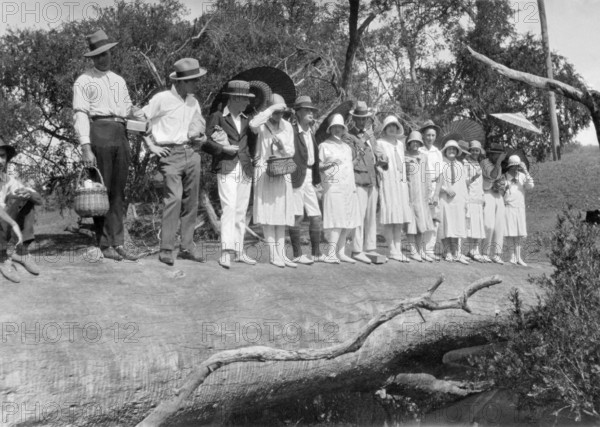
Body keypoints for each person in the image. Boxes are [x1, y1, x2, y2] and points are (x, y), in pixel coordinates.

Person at [72, 29, 138, 261]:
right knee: (101, 191)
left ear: (111, 53)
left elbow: (129, 109)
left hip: (121, 133)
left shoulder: (119, 80)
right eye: (98, 55)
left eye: (106, 53)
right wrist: (85, 146)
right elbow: (80, 114)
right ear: (92, 57)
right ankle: (104, 243)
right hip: (98, 132)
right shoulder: (84, 80)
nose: (103, 58)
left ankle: (118, 242)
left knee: (118, 192)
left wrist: (144, 115)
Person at [142, 58, 207, 266]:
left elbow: (198, 126)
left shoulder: (193, 101)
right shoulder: (161, 99)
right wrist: (151, 146)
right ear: (181, 82)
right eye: (193, 80)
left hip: (192, 153)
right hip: (169, 155)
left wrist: (201, 138)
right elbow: (138, 120)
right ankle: (166, 249)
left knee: (191, 201)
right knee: (174, 199)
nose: (196, 84)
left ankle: (187, 246)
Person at [203, 80, 257, 269]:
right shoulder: (217, 117)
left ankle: (239, 251)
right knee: (229, 207)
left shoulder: (246, 120)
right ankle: (226, 252)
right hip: (226, 166)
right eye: (244, 99)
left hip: (245, 167)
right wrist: (223, 147)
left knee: (241, 210)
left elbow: (252, 144)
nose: (247, 103)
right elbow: (205, 142)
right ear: (234, 98)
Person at [250, 94, 296, 268]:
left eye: (281, 112)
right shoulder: (262, 125)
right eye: (276, 112)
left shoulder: (287, 127)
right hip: (264, 171)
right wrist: (269, 110)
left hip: (283, 169)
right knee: (268, 214)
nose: (278, 115)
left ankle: (282, 254)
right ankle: (273, 254)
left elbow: (291, 151)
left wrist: (282, 148)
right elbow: (253, 124)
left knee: (281, 214)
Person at [318, 114, 361, 264]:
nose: (337, 130)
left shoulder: (347, 148)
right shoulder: (324, 146)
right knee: (336, 221)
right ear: (330, 129)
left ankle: (341, 252)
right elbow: (319, 167)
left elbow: (349, 167)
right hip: (333, 186)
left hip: (348, 187)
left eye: (340, 127)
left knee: (347, 221)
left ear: (343, 129)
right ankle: (331, 253)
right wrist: (328, 166)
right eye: (335, 127)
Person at [346, 101, 385, 264]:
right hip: (358, 179)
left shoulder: (371, 136)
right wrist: (365, 139)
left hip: (372, 178)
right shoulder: (349, 135)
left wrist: (382, 159)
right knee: (359, 215)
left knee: (370, 215)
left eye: (365, 119)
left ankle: (369, 247)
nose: (362, 122)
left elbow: (376, 155)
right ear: (354, 119)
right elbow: (351, 157)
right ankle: (356, 250)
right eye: (359, 119)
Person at [0, 138, 42, 283]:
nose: (0, 161)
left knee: (25, 200)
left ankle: (21, 251)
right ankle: (3, 258)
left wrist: (28, 194)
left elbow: (39, 200)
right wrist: (13, 223)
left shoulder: (7, 180)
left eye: (2, 156)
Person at [287, 96, 324, 265]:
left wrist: (317, 180)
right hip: (296, 176)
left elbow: (313, 158)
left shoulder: (311, 133)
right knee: (297, 215)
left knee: (316, 215)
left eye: (312, 110)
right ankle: (297, 254)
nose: (311, 113)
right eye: (307, 110)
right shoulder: (292, 131)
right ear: (298, 113)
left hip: (310, 176)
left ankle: (316, 253)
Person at [375, 116, 413, 262]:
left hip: (401, 183)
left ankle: (398, 248)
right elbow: (379, 164)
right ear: (385, 128)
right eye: (389, 126)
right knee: (390, 216)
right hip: (389, 182)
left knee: (399, 218)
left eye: (394, 126)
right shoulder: (380, 143)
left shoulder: (400, 145)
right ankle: (391, 248)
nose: (392, 128)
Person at [405, 131, 434, 262]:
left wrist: (429, 192)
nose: (415, 144)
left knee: (421, 222)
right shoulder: (404, 157)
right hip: (410, 195)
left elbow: (427, 176)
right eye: (412, 142)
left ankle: (421, 250)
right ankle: (412, 250)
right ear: (409, 143)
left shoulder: (424, 157)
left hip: (422, 195)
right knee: (412, 223)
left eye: (417, 142)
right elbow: (402, 177)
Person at [438, 140, 469, 264]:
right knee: (446, 225)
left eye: (454, 149)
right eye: (449, 149)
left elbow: (463, 184)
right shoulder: (440, 164)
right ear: (445, 150)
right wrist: (445, 189)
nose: (451, 151)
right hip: (445, 199)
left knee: (456, 225)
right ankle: (447, 251)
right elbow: (434, 182)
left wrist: (465, 200)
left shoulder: (460, 165)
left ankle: (456, 251)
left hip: (458, 200)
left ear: (457, 151)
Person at [419, 120, 444, 260]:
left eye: (433, 135)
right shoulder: (419, 150)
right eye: (427, 135)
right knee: (423, 217)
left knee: (434, 219)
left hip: (434, 187)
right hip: (422, 186)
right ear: (423, 135)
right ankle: (420, 248)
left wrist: (436, 194)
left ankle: (429, 249)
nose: (430, 138)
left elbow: (440, 175)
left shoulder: (437, 153)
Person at [503, 155, 534, 266]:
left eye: (517, 166)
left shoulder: (522, 176)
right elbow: (501, 192)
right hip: (508, 207)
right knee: (510, 232)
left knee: (519, 233)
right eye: (513, 166)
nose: (515, 168)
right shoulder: (505, 177)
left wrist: (525, 170)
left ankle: (519, 257)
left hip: (519, 207)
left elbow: (530, 186)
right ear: (509, 166)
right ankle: (512, 256)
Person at [481, 143, 508, 264]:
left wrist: (501, 184)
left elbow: (497, 177)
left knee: (499, 225)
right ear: (491, 154)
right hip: (487, 193)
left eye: (500, 155)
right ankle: (484, 252)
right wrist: (498, 164)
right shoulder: (485, 162)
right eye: (496, 155)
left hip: (497, 194)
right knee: (489, 224)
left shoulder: (499, 164)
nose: (498, 157)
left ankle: (496, 253)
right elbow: (492, 174)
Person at [464, 140, 487, 262]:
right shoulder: (465, 163)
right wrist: (474, 177)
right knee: (471, 224)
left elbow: (481, 183)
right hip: (470, 197)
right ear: (470, 150)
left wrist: (483, 196)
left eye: (477, 150)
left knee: (478, 224)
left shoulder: (479, 163)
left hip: (478, 197)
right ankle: (472, 250)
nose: (475, 152)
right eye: (473, 150)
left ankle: (475, 249)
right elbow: (464, 181)